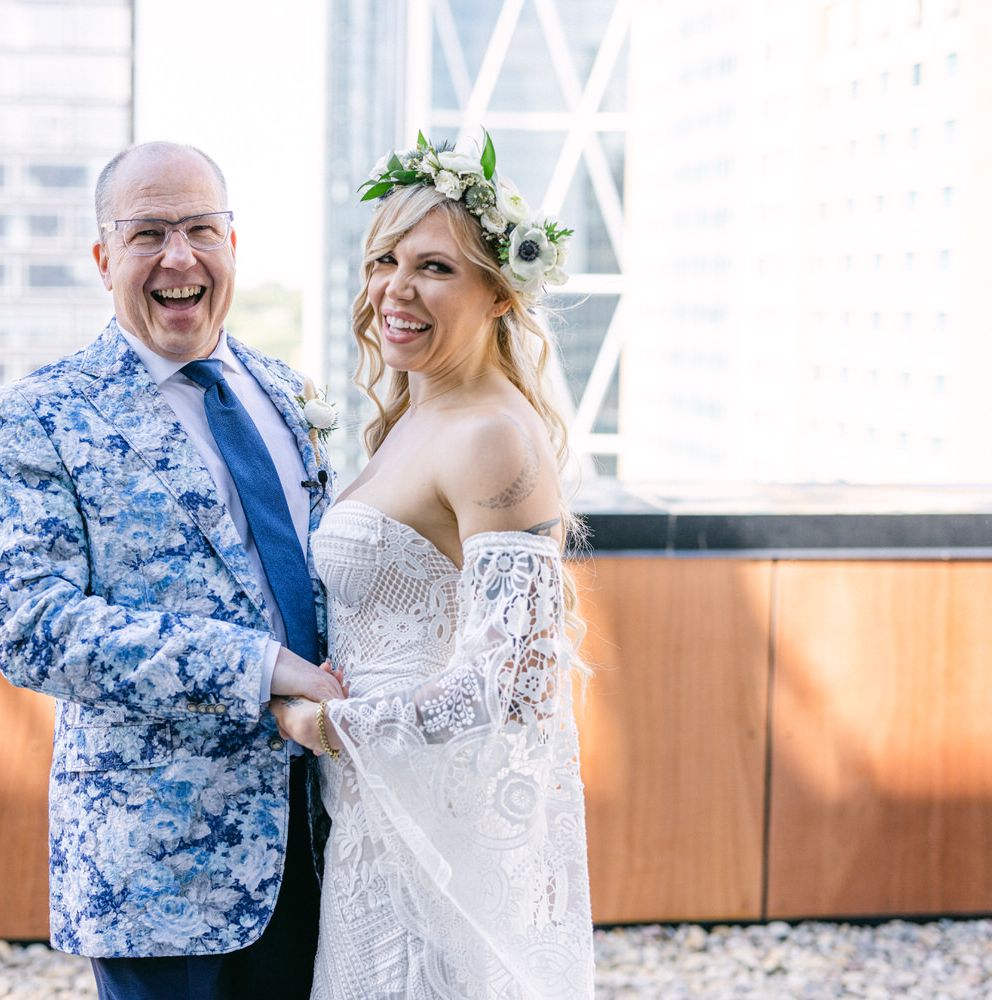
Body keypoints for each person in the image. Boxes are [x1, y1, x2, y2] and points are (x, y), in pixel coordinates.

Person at [0, 140, 342, 1000]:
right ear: (105, 259)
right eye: (148, 235)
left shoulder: (286, 392)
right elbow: (33, 629)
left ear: (234, 246)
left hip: (328, 844)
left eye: (201, 229)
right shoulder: (35, 418)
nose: (179, 257)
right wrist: (260, 668)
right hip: (161, 879)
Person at [270, 135, 595, 999]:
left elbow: (515, 682)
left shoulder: (492, 436)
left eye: (436, 268)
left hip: (432, 825)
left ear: (500, 291)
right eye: (385, 259)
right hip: (374, 812)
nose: (396, 290)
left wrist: (325, 726)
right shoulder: (413, 418)